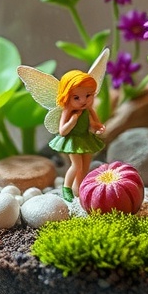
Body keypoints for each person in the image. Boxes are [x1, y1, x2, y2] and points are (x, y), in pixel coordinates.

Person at [49, 70, 105, 199]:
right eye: (76, 97)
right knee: (76, 165)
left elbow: (94, 124)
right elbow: (62, 131)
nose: (83, 101)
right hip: (73, 141)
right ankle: (66, 188)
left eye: (88, 95)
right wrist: (72, 121)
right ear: (67, 96)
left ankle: (79, 188)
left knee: (85, 166)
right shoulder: (68, 111)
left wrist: (99, 128)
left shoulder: (88, 109)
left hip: (85, 138)